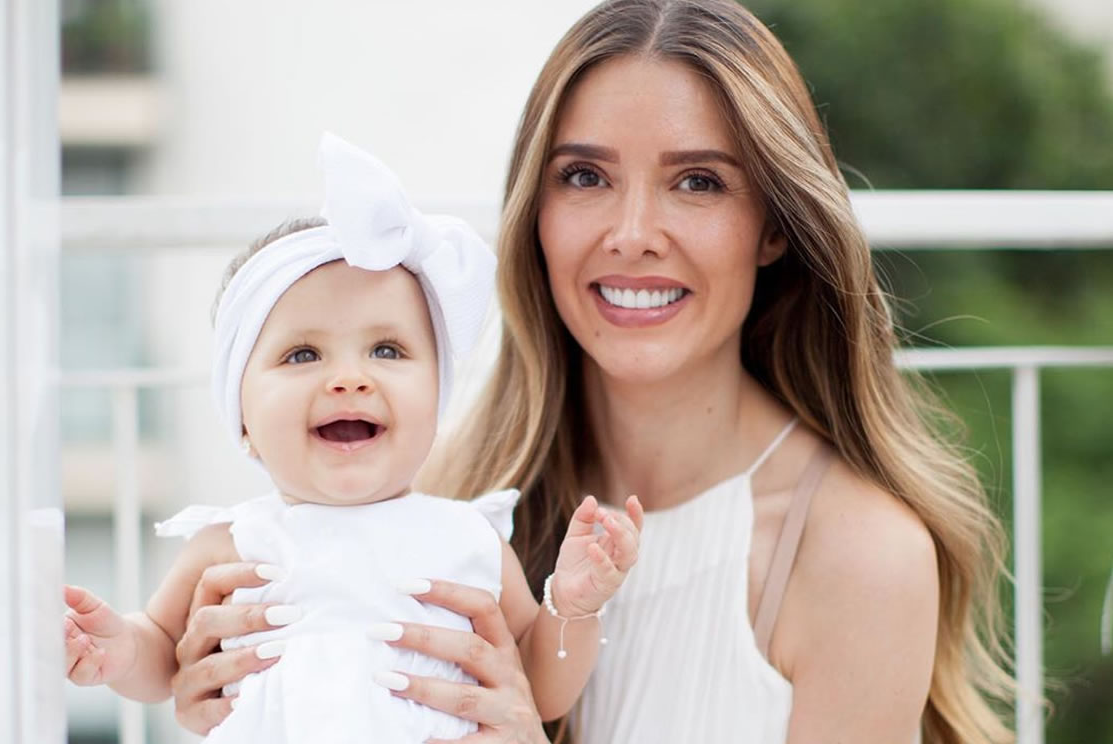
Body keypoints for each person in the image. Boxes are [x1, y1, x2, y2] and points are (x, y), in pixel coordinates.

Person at [167, 1, 1015, 742]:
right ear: (534, 217)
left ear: (773, 226)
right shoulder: (452, 498)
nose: (632, 233)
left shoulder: (859, 556)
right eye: (584, 176)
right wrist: (224, 694)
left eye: (697, 182)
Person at [62, 133, 644, 744]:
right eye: (303, 354)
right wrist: (121, 648)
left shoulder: (468, 539)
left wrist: (570, 607)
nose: (348, 378)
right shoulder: (229, 545)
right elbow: (165, 654)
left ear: (437, 399)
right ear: (242, 418)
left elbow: (538, 689)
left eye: (386, 350)